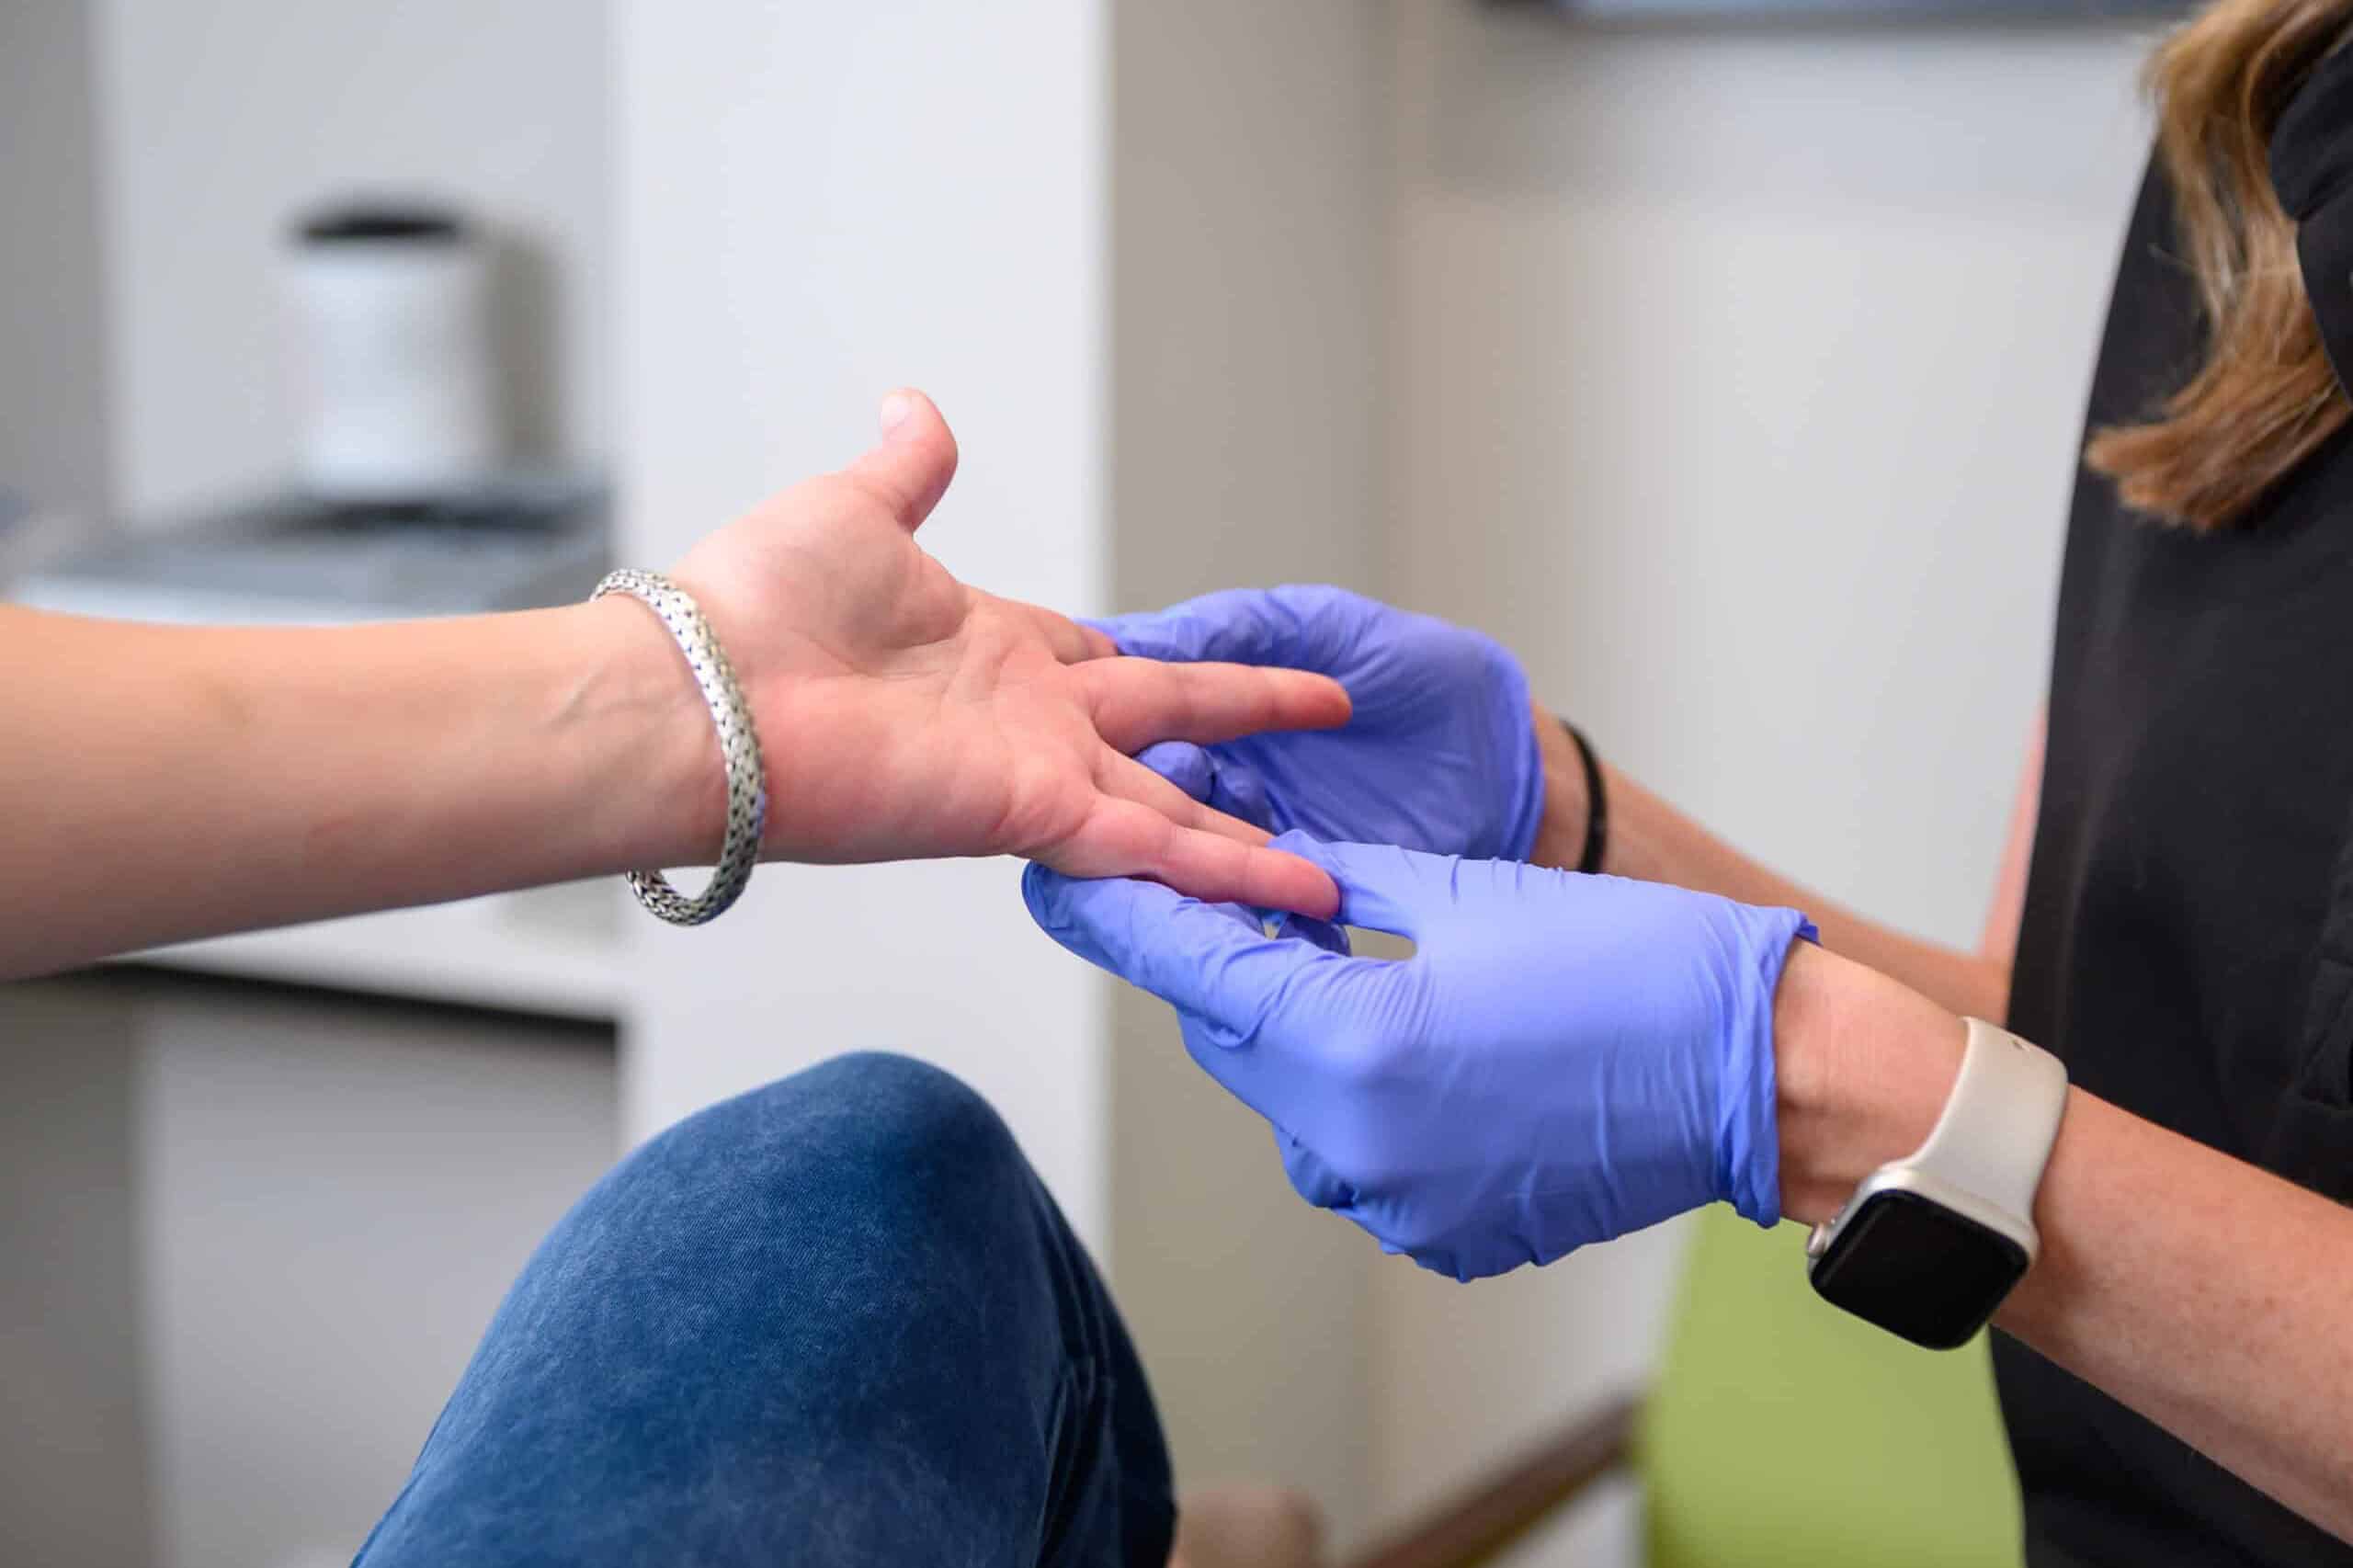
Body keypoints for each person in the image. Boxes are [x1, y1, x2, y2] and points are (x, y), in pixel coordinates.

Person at [1029, 3, 2353, 1563]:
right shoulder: (2240, 147)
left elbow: (1974, 1110)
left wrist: (1805, 1087)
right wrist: (1563, 820)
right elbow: (2088, 1041)